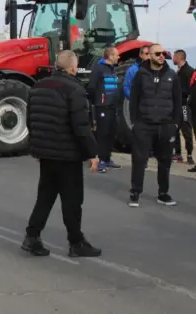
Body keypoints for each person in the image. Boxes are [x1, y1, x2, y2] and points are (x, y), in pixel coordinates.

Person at [22, 50, 101, 258]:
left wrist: (37, 146)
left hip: (45, 153)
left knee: (45, 197)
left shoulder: (37, 87)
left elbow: (31, 120)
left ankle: (32, 236)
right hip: (67, 154)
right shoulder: (75, 90)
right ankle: (76, 242)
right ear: (73, 68)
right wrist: (93, 153)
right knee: (72, 201)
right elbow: (81, 126)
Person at [128, 43, 182, 207]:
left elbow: (178, 102)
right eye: (157, 53)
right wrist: (134, 123)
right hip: (144, 125)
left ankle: (163, 193)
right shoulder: (140, 75)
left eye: (163, 53)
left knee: (165, 160)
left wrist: (175, 125)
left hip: (166, 126)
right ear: (150, 55)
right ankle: (135, 192)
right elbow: (134, 100)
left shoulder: (172, 75)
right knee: (139, 160)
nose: (161, 56)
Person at [86, 46, 122, 173]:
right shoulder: (99, 68)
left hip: (113, 107)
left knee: (111, 133)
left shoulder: (112, 69)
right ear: (110, 56)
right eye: (116, 55)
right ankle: (100, 160)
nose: (119, 57)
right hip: (102, 107)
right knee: (103, 134)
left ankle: (107, 158)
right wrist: (98, 100)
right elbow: (91, 87)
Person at [171, 49, 195, 164]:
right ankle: (178, 154)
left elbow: (190, 90)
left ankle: (189, 155)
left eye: (174, 56)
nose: (172, 59)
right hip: (176, 105)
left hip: (185, 105)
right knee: (175, 129)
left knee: (186, 130)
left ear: (180, 57)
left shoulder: (189, 71)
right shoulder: (178, 71)